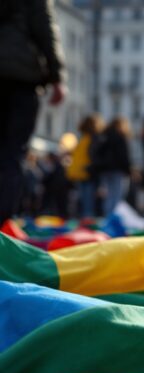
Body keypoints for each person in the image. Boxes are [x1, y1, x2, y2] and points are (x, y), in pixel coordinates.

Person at [0, 0, 66, 224]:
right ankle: (2, 224)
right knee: (11, 154)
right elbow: (44, 28)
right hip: (21, 78)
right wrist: (56, 76)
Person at [67, 115, 103, 218]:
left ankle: (85, 218)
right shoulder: (94, 138)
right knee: (88, 200)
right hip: (88, 172)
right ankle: (88, 221)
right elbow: (94, 156)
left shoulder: (83, 138)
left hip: (80, 172)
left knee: (84, 199)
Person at [96, 117, 132, 216]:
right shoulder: (120, 137)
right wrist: (128, 169)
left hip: (104, 170)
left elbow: (98, 153)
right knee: (116, 195)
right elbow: (123, 155)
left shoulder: (104, 136)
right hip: (117, 170)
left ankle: (107, 216)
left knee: (108, 196)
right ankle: (114, 217)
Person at [39, 151, 68, 217]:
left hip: (54, 190)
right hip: (59, 189)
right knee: (59, 206)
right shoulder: (59, 166)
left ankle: (51, 215)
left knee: (54, 205)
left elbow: (48, 177)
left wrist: (43, 183)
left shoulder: (53, 166)